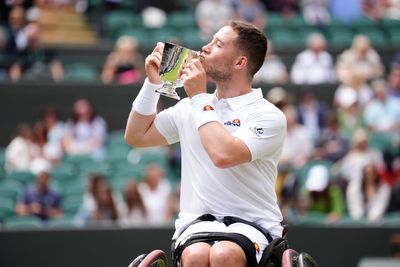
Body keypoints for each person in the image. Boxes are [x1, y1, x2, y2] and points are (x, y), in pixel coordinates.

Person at [125, 20, 287, 266]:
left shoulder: (268, 115)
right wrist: (153, 84)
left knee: (225, 254)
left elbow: (223, 155)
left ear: (240, 62)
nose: (205, 47)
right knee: (197, 255)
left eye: (218, 44)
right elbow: (136, 136)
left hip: (254, 225)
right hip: (197, 224)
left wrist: (200, 97)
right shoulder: (189, 107)